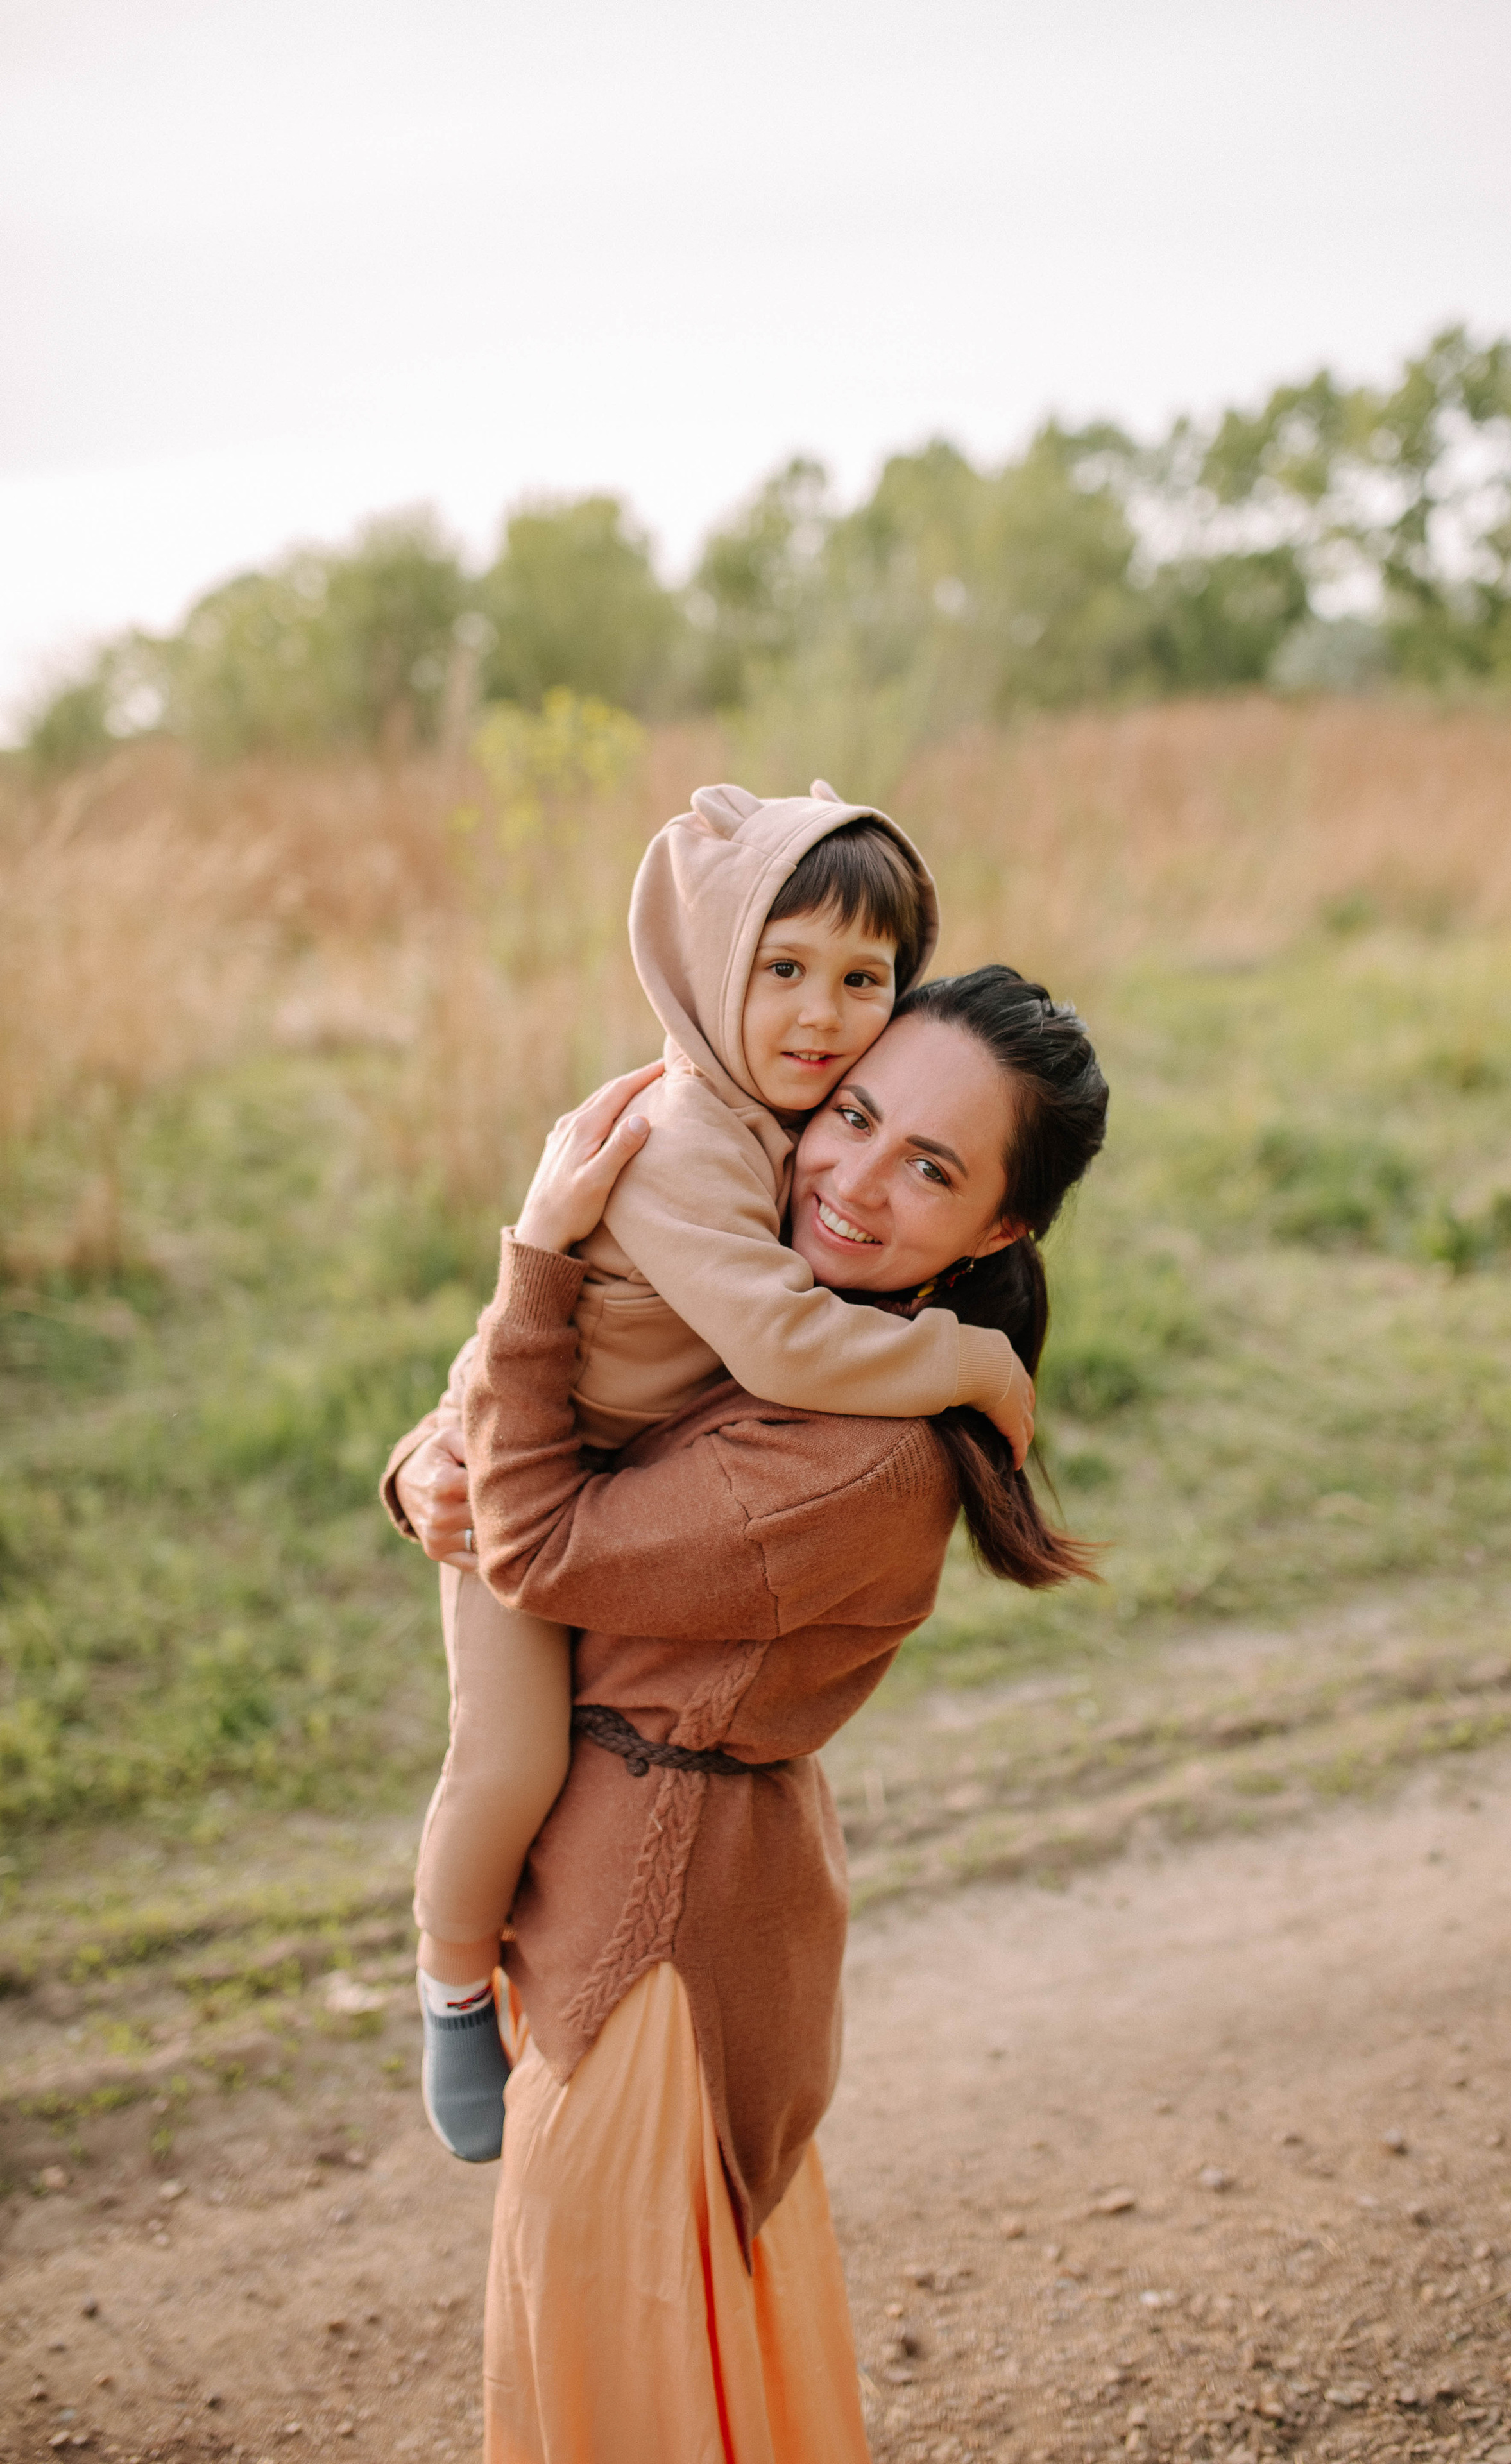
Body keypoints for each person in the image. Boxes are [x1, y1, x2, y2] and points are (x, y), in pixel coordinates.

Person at [384, 963, 1109, 2462]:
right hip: (626, 1897)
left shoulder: (863, 1459)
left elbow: (543, 1537)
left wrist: (535, 1257)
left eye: (930, 1168)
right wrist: (421, 1471)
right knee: (640, 2351)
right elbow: (516, 1444)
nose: (853, 1179)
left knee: (627, 2366)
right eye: (850, 1115)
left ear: (998, 1231)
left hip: (658, 1942)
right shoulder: (742, 1308)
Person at [411, 782, 1036, 2164]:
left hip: (592, 1471)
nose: (822, 1015)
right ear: (709, 968)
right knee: (505, 1761)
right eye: (782, 969)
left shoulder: (779, 1124)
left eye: (862, 979)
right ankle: (450, 1979)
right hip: (532, 1470)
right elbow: (776, 1338)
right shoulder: (684, 1139)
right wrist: (970, 1364)